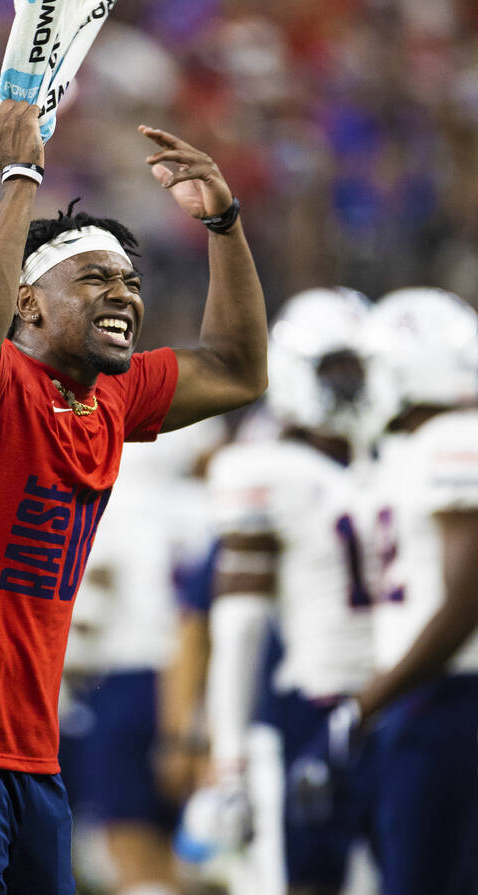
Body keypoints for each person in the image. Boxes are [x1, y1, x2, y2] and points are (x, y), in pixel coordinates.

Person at [0, 99, 268, 894]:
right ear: (27, 303)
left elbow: (239, 367)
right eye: (97, 277)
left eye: (132, 281)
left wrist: (225, 223)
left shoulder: (109, 395)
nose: (125, 295)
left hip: (28, 747)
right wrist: (20, 177)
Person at [189, 288, 376, 895]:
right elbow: (236, 627)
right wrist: (229, 762)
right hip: (308, 709)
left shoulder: (388, 461)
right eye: (338, 369)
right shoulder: (264, 468)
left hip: (389, 701)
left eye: (362, 369)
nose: (353, 386)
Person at [294, 287, 478, 895]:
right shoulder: (406, 451)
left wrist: (364, 704)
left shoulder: (453, 440)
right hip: (423, 695)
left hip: (446, 698)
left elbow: (465, 599)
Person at [61, 419, 223, 895]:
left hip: (126, 681)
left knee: (129, 847)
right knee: (205, 853)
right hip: (203, 684)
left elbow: (89, 605)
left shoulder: (111, 501)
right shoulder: (208, 506)